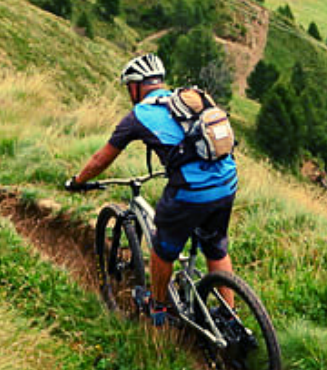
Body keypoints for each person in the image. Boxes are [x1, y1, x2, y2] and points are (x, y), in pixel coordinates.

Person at [67, 54, 239, 327]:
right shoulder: (187, 99)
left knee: (162, 249)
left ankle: (159, 308)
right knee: (215, 247)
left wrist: (77, 181)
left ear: (135, 87)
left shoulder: (139, 115)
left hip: (190, 191)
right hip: (227, 182)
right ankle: (230, 316)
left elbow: (101, 159)